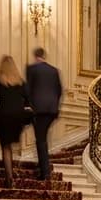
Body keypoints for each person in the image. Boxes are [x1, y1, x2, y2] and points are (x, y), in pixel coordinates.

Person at [0, 56, 30, 187]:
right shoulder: (21, 82)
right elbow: (28, 101)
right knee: (13, 144)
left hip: (4, 115)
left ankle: (9, 178)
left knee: (6, 147)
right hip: (18, 115)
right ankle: (15, 171)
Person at [25, 47, 63, 181]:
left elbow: (27, 90)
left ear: (35, 56)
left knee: (40, 140)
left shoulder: (32, 69)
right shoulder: (54, 70)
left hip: (38, 109)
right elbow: (59, 90)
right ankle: (44, 167)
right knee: (43, 138)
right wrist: (54, 105)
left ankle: (45, 172)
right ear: (44, 56)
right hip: (51, 109)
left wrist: (28, 106)